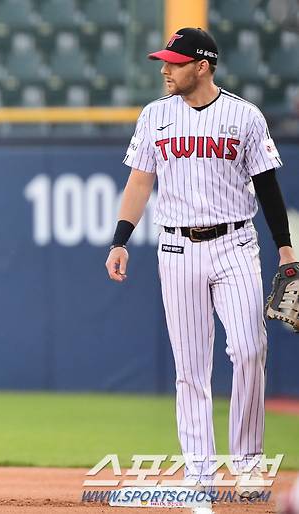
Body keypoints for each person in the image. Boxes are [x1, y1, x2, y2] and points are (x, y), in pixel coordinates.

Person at [105, 27, 296, 498]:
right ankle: (199, 472)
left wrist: (286, 249)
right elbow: (139, 183)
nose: (165, 68)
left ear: (202, 65)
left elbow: (268, 186)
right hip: (176, 248)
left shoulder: (243, 116)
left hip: (235, 243)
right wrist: (120, 239)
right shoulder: (155, 117)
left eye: (174, 61)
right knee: (191, 366)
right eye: (164, 60)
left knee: (250, 349)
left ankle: (248, 462)